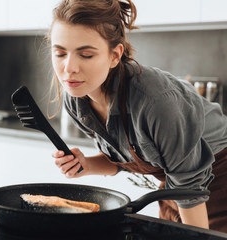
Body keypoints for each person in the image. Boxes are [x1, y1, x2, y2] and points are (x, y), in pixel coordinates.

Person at [48, 0, 227, 232]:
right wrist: (87, 165)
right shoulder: (76, 100)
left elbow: (190, 189)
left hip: (218, 178)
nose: (68, 67)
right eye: (60, 53)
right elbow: (129, 160)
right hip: (174, 185)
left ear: (115, 55)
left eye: (86, 55)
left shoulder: (155, 102)